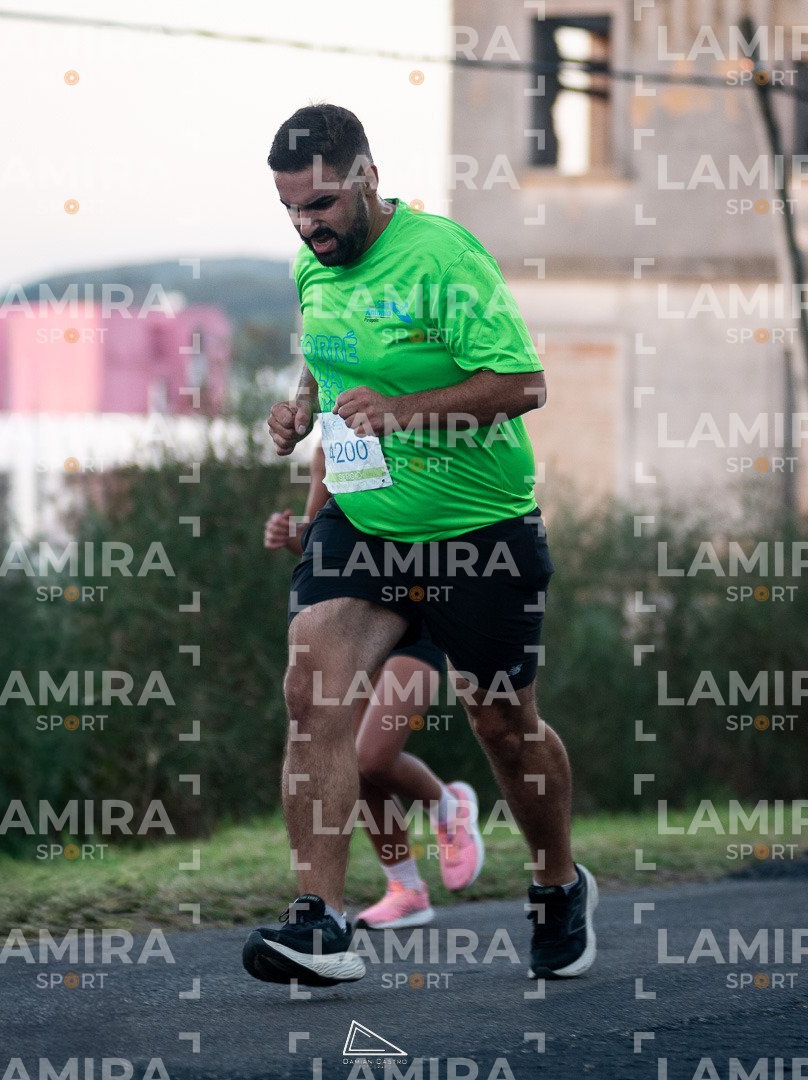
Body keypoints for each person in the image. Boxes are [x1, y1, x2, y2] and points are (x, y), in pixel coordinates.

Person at [242, 103, 597, 988]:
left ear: (367, 177)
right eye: (291, 210)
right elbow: (329, 356)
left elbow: (524, 384)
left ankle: (559, 883)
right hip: (365, 523)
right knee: (312, 694)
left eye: (322, 204)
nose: (308, 227)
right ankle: (321, 922)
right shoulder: (313, 265)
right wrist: (301, 408)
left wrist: (402, 413)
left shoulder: (443, 257)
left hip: (478, 530)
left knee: (504, 726)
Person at [263, 444, 485, 930]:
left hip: (419, 614)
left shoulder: (418, 434)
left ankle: (449, 807)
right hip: (359, 612)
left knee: (372, 757)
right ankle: (406, 889)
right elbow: (320, 542)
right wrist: (291, 537)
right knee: (348, 759)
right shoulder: (330, 449)